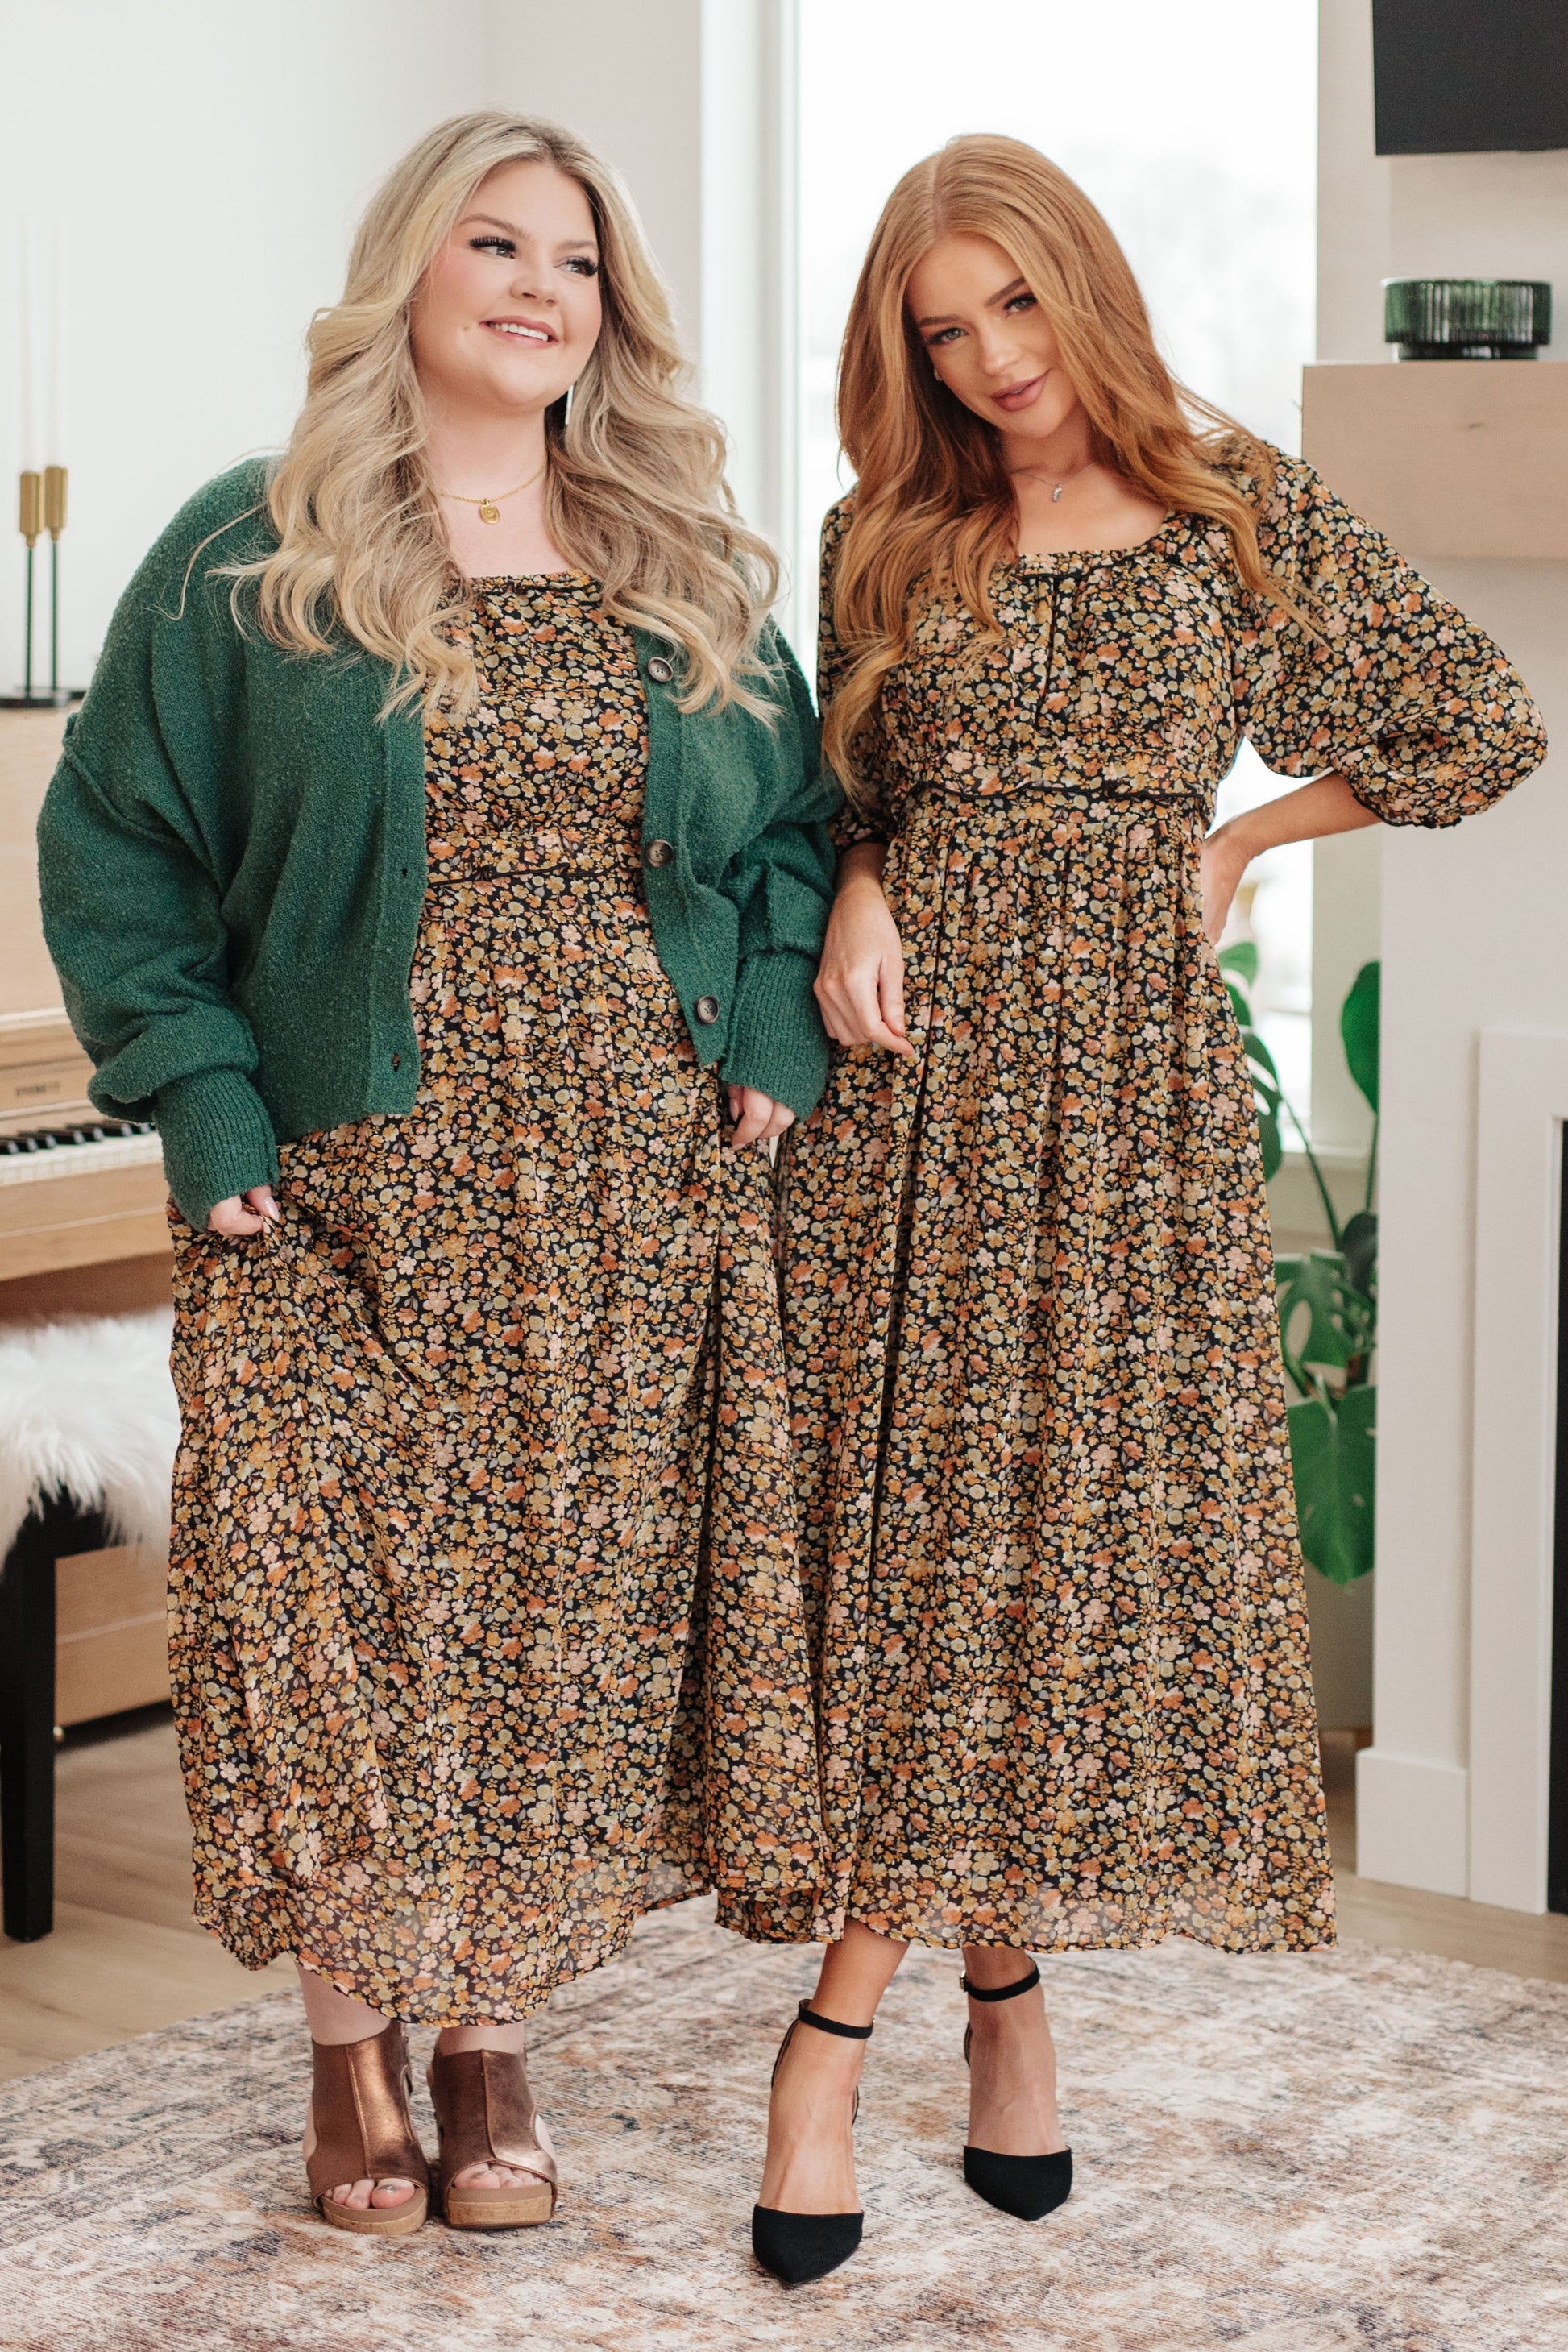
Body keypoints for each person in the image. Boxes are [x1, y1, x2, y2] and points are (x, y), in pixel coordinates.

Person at [738, 134, 1545, 2287]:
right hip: (909, 1098)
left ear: (1082, 280)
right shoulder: (888, 530)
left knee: (1041, 1551)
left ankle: (849, 2034)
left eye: (1015, 302)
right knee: (919, 1557)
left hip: (1124, 1104)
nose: (992, 360)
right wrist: (857, 886)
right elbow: (837, 798)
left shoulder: (1229, 504)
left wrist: (1245, 838)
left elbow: (1479, 723)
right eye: (944, 331)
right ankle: (976, 2005)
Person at [39, 112, 837, 2238]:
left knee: (545, 1627)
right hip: (331, 1179)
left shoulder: (679, 558)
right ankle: (344, 2048)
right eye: (495, 244)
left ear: (612, 312)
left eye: (576, 261)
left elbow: (793, 836)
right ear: (409, 266)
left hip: (622, 1183)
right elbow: (113, 843)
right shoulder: (255, 547)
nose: (536, 289)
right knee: (319, 1609)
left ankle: (484, 2043)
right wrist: (201, 1098)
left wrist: (767, 1036)